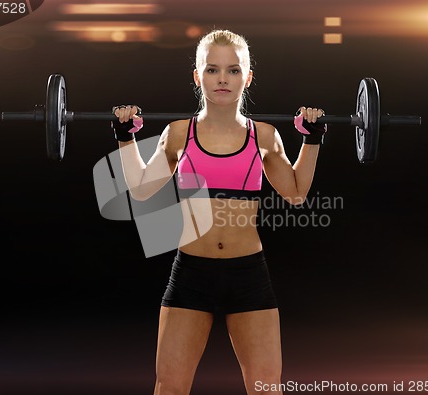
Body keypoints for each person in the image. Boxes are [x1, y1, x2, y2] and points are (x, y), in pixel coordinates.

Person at [112, 29, 326, 395]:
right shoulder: (179, 134)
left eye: (233, 70)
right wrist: (124, 137)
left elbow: (295, 192)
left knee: (266, 388)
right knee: (169, 387)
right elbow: (142, 190)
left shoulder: (265, 136)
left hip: (248, 276)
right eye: (212, 70)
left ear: (247, 77)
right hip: (192, 275)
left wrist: (312, 139)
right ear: (198, 76)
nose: (223, 79)